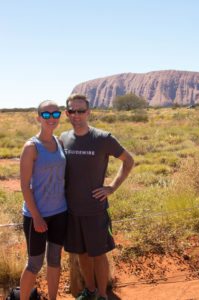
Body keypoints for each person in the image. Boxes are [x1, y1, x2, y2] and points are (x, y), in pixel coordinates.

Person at [60, 94, 134, 300]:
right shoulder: (63, 138)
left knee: (98, 254)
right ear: (67, 113)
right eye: (72, 111)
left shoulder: (103, 138)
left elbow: (129, 161)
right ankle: (90, 290)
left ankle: (102, 294)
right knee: (81, 253)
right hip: (72, 210)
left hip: (95, 210)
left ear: (89, 112)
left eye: (81, 111)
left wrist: (111, 187)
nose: (77, 115)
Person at [20, 100, 67, 300]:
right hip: (36, 215)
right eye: (46, 115)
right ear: (38, 117)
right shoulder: (31, 147)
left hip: (60, 212)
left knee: (55, 260)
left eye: (55, 114)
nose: (51, 119)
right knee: (35, 264)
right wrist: (37, 217)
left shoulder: (60, 142)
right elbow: (24, 186)